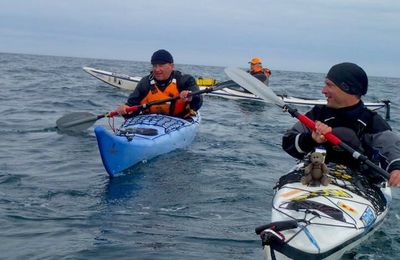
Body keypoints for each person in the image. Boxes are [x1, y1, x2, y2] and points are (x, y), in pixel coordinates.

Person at [282, 62, 400, 186]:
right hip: (316, 175)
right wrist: (311, 139)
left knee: (346, 134)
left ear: (347, 88)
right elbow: (288, 141)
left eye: (329, 85)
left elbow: (392, 150)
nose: (323, 90)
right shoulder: (317, 115)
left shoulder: (372, 121)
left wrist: (397, 169)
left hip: (360, 184)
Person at [116, 49, 202, 119]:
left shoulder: (184, 80)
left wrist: (191, 97)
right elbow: (132, 107)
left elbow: (198, 101)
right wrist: (125, 109)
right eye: (154, 66)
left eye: (161, 65)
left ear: (171, 66)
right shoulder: (145, 83)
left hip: (180, 119)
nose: (157, 70)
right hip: (151, 123)